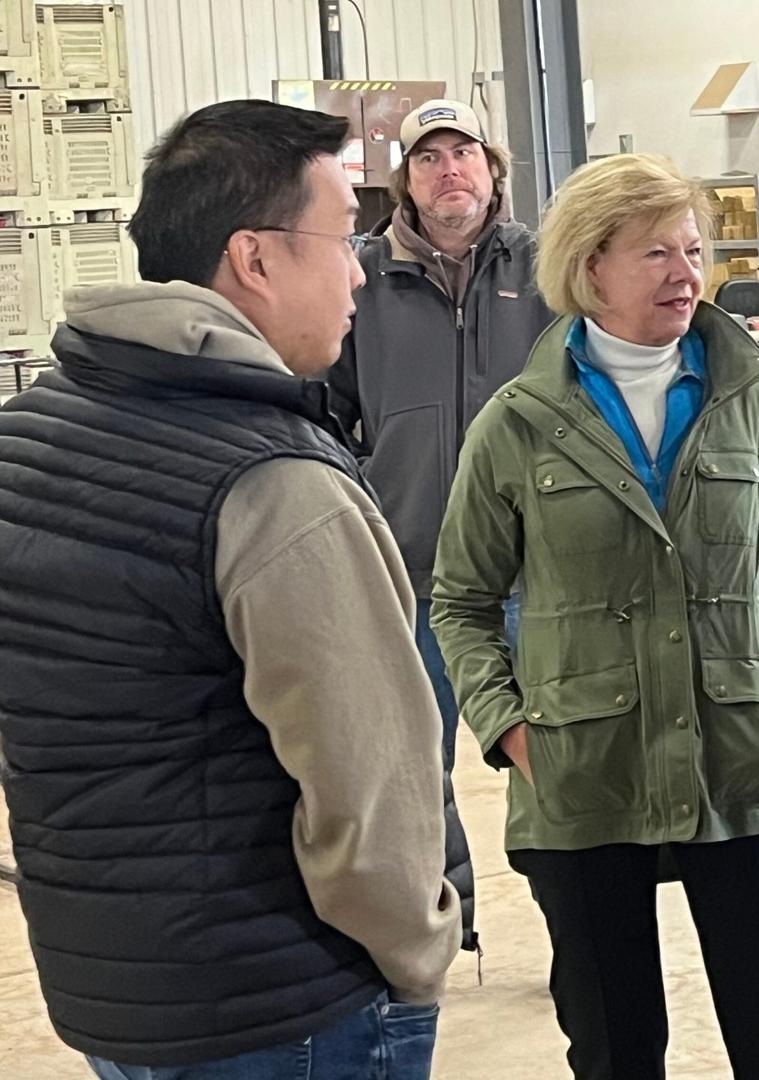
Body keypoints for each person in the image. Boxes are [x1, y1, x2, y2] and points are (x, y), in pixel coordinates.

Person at [0, 100, 466, 1078]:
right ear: (254, 259)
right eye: (343, 239)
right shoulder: (276, 486)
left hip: (116, 992)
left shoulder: (31, 437)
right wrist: (417, 953)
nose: (358, 272)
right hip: (286, 1005)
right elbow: (370, 790)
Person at [432, 153, 759, 1080]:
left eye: (693, 250)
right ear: (590, 269)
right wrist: (510, 730)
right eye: (656, 253)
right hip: (581, 773)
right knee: (616, 1048)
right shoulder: (519, 423)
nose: (686, 274)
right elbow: (459, 599)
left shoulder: (747, 403)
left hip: (742, 761)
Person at [328, 98, 553, 768]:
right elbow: (326, 409)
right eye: (427, 157)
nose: (447, 169)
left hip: (536, 571)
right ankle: (436, 881)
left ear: (492, 169)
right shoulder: (363, 280)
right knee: (416, 768)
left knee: (554, 763)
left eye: (463, 153)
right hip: (414, 572)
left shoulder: (547, 271)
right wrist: (369, 485)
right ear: (406, 180)